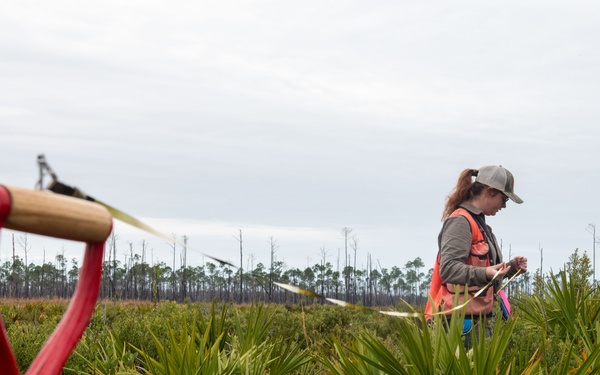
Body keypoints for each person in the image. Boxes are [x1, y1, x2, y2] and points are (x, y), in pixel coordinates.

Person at [425, 165, 528, 344]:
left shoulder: (482, 226)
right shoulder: (460, 221)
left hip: (478, 324)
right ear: (489, 191)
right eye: (503, 199)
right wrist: (486, 273)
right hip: (457, 325)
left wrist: (510, 268)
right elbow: (448, 269)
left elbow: (483, 272)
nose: (504, 206)